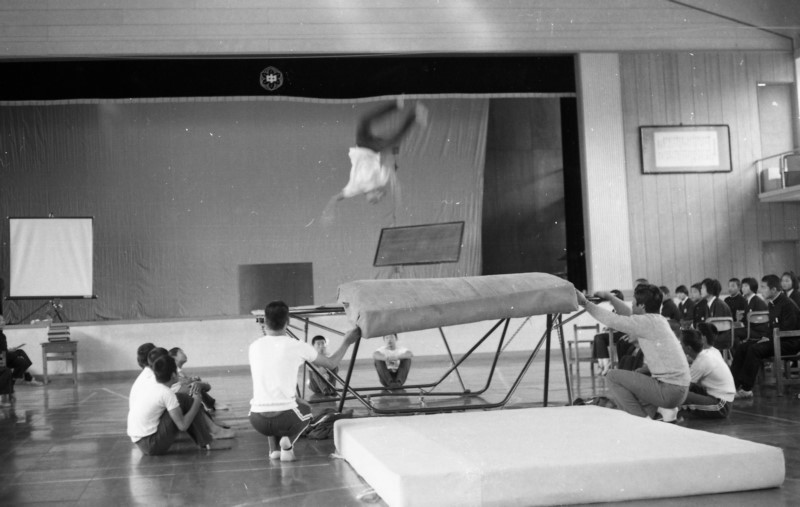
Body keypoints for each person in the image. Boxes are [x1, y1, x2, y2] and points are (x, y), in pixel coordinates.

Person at [249, 301, 361, 461]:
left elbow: (274, 373)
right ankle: (287, 445)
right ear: (288, 322)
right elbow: (331, 363)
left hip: (257, 420)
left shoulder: (254, 346)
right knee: (306, 410)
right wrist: (347, 341)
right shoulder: (297, 346)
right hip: (285, 418)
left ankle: (273, 450)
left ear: (265, 321)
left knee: (277, 403)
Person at [576, 285, 690, 422]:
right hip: (679, 390)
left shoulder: (646, 322)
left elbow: (612, 319)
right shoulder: (658, 320)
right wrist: (610, 297)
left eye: (634, 302)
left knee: (612, 376)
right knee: (635, 377)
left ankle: (643, 421)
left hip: (670, 391)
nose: (631, 305)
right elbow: (627, 313)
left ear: (642, 306)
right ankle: (664, 411)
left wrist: (585, 303)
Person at [329, 98, 428, 206]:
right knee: (394, 140)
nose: (376, 195)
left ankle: (396, 105)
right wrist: (393, 171)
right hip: (373, 149)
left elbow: (337, 197)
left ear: (369, 197)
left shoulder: (353, 189)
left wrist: (329, 209)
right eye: (378, 196)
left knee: (363, 121)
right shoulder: (380, 181)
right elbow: (389, 164)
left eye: (373, 198)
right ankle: (414, 114)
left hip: (361, 144)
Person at [127, 351, 222, 455]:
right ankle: (207, 441)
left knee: (181, 400)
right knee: (184, 400)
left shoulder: (152, 384)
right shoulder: (166, 393)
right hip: (152, 445)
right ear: (173, 375)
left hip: (140, 441)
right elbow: (183, 426)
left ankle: (205, 440)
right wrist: (197, 401)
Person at [731, 274, 800, 399]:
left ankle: (746, 389)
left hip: (789, 342)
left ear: (773, 290)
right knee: (743, 347)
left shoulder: (787, 304)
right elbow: (771, 326)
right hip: (775, 340)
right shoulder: (772, 303)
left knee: (755, 349)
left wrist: (769, 338)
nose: (760, 290)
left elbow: (788, 329)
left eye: (763, 287)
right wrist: (766, 337)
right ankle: (732, 385)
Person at [679, 325, 736, 419]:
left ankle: (668, 413)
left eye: (681, 343)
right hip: (719, 397)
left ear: (688, 348)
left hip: (721, 405)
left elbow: (683, 388)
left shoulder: (701, 361)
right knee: (686, 389)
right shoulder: (710, 352)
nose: (679, 345)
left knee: (679, 394)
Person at [169, 347, 229, 412]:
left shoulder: (179, 371)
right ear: (174, 357)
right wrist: (192, 380)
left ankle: (210, 404)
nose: (184, 354)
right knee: (195, 386)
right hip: (175, 394)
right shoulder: (173, 370)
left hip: (179, 391)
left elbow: (183, 381)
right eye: (181, 352)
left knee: (197, 385)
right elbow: (181, 382)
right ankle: (211, 404)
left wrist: (192, 379)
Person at [732, 277, 769, 345]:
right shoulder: (749, 300)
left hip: (758, 331)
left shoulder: (757, 301)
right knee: (732, 329)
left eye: (746, 286)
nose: (743, 288)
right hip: (752, 329)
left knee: (733, 332)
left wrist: (739, 324)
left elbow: (755, 322)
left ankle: (736, 351)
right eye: (742, 286)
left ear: (752, 287)